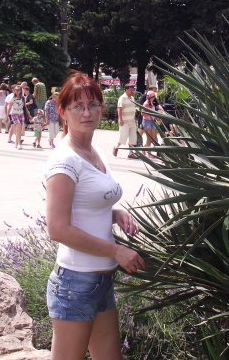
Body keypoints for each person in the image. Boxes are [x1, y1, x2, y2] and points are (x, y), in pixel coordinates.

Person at [44, 72, 144, 360]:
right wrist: (116, 251)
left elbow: (85, 206)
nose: (86, 113)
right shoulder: (65, 160)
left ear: (102, 108)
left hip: (100, 280)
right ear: (63, 111)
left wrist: (113, 213)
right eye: (77, 106)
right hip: (75, 282)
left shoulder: (93, 150)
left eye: (93, 105)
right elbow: (57, 228)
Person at [113, 84, 138, 159]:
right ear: (126, 89)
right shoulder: (122, 98)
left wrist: (134, 117)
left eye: (133, 89)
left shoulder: (132, 98)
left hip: (132, 121)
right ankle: (116, 147)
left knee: (133, 138)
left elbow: (133, 108)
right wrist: (120, 119)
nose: (133, 91)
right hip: (125, 121)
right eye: (131, 89)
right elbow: (119, 109)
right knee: (123, 137)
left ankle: (131, 153)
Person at [141, 90, 164, 158]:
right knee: (149, 138)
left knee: (153, 137)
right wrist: (150, 114)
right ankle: (149, 153)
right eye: (153, 96)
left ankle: (144, 148)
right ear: (150, 97)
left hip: (152, 121)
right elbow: (142, 113)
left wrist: (156, 116)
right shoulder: (146, 104)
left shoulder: (151, 102)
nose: (154, 98)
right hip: (147, 121)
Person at [6, 85, 25, 150]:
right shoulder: (13, 98)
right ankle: (19, 144)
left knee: (19, 130)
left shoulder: (23, 98)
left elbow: (24, 107)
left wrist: (28, 114)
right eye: (15, 90)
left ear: (20, 91)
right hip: (14, 114)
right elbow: (9, 107)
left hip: (21, 114)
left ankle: (16, 144)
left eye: (18, 90)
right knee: (18, 126)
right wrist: (7, 116)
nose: (16, 91)